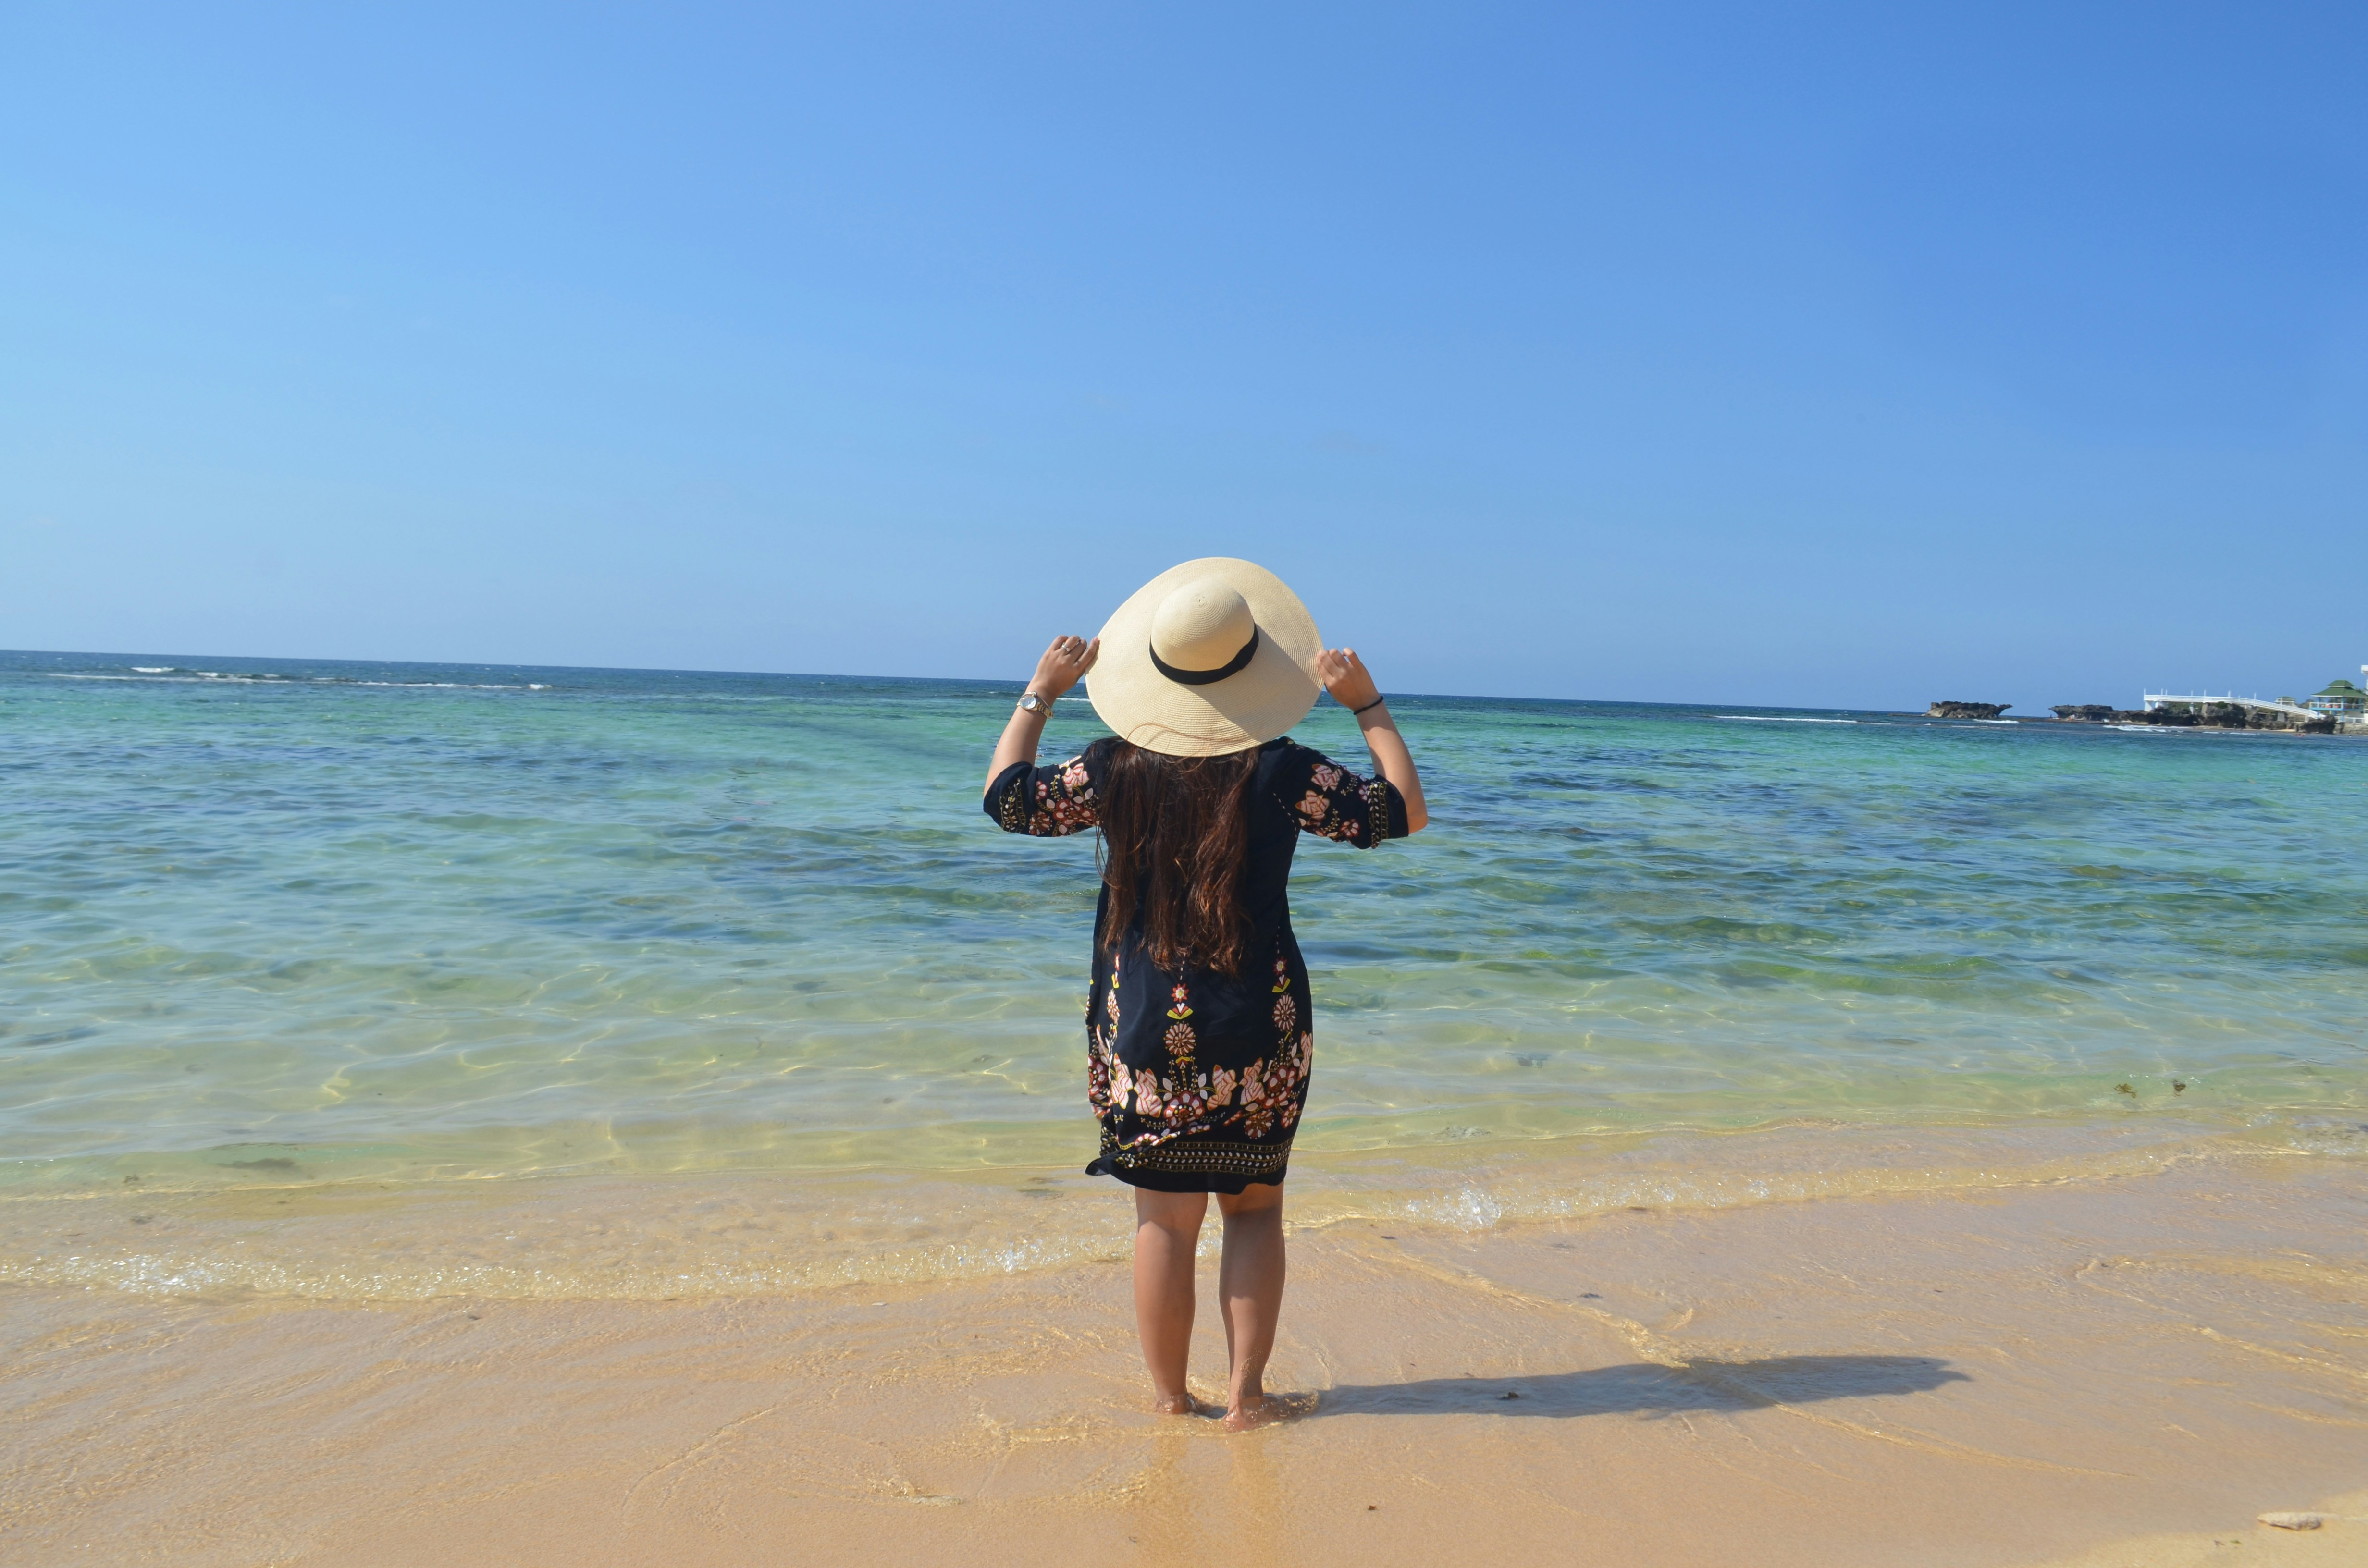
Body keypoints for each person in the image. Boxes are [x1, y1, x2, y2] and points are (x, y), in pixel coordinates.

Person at [981, 558, 1429, 1430]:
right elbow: (1401, 811)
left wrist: (1040, 692)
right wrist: (1368, 705)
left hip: (1142, 1025)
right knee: (1255, 1213)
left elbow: (1008, 801)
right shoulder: (1281, 769)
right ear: (1254, 668)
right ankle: (1246, 1399)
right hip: (1263, 1024)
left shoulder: (1112, 768)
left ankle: (1166, 1400)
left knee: (1164, 1226)